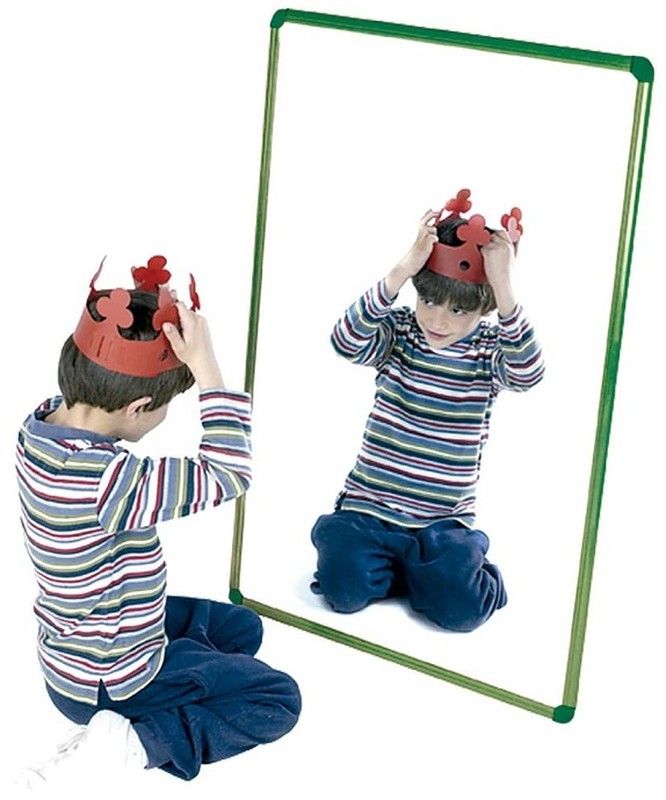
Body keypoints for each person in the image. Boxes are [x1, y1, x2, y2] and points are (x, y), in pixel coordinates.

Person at [15, 256, 301, 786]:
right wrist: (206, 366)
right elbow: (229, 473)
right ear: (138, 407)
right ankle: (133, 743)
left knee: (242, 629)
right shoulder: (111, 481)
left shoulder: (39, 426)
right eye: (165, 406)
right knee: (277, 697)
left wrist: (149, 319)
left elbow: (110, 360)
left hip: (82, 643)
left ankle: (181, 679)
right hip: (108, 679)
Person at [310, 191, 545, 633]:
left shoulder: (489, 351)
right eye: (430, 302)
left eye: (458, 309)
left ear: (484, 306)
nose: (438, 320)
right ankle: (402, 572)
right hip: (369, 508)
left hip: (442, 521)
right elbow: (344, 341)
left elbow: (528, 374)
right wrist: (403, 269)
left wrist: (504, 287)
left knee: (462, 611)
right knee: (341, 589)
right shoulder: (401, 332)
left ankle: (433, 572)